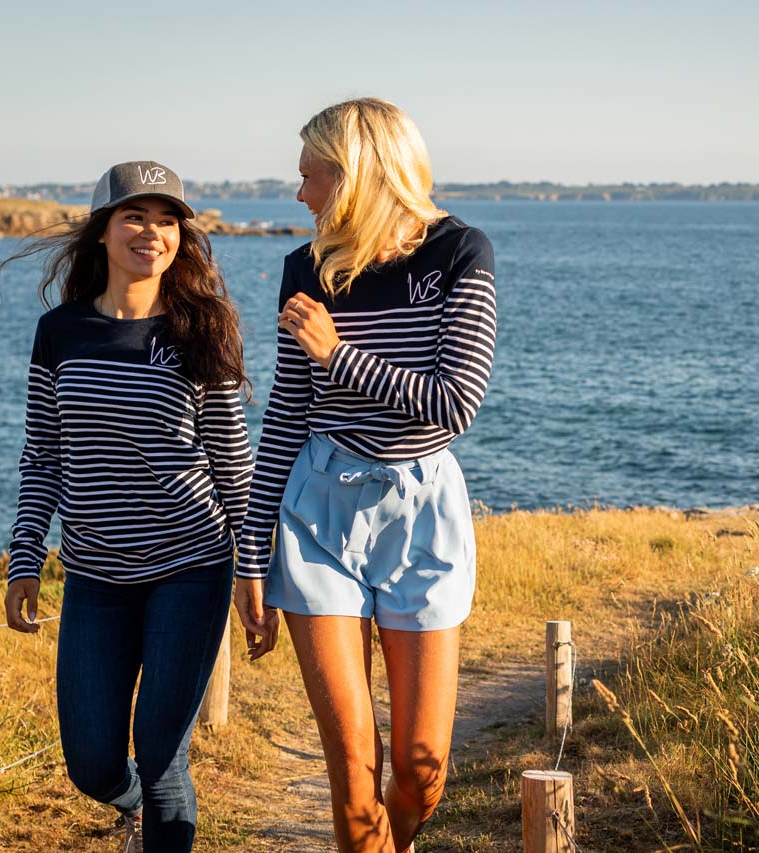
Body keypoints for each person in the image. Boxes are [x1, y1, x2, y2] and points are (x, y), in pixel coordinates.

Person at [233, 98, 497, 852]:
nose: (300, 193)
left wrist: (337, 355)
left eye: (309, 174)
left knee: (421, 768)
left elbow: (454, 404)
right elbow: (284, 417)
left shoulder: (459, 254)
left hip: (423, 511)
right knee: (353, 766)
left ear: (351, 177)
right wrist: (251, 556)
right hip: (320, 511)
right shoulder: (302, 268)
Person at [0, 161, 256, 853]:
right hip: (94, 578)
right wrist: (26, 555)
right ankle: (133, 801)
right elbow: (43, 455)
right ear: (104, 231)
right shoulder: (61, 333)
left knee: (163, 748)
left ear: (182, 236)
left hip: (192, 568)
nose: (153, 232)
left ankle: (161, 810)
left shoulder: (201, 329)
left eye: (168, 219)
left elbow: (234, 463)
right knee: (90, 762)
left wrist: (255, 574)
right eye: (136, 216)